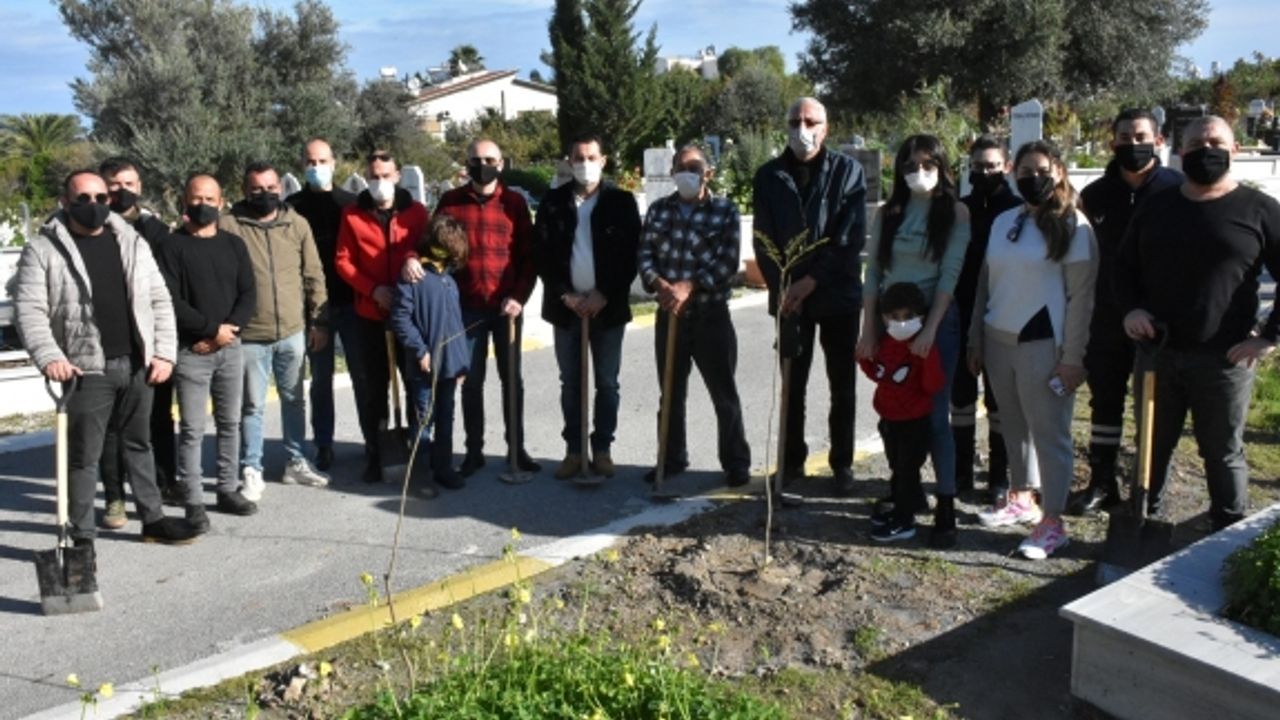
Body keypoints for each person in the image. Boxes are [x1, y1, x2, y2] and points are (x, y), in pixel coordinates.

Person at [9, 170, 197, 551]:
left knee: (139, 444)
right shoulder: (42, 250)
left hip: (137, 363)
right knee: (83, 457)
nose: (92, 206)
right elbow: (28, 310)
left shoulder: (131, 241)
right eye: (82, 199)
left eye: (99, 197)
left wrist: (162, 352)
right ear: (65, 202)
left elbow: (159, 299)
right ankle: (81, 537)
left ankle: (153, 519)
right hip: (84, 369)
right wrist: (50, 357)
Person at [1115, 115, 1280, 531]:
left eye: (1215, 142)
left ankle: (1227, 530)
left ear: (1234, 149)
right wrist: (1131, 309)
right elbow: (1123, 268)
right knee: (1152, 447)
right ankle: (1144, 524)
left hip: (1225, 358)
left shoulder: (1260, 211)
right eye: (1194, 144)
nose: (1205, 150)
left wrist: (1269, 337)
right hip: (1158, 352)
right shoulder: (1158, 205)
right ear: (1180, 151)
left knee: (1222, 451)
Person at [971, 140, 1097, 560]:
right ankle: (1022, 498)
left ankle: (1053, 522)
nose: (1032, 178)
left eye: (1041, 170)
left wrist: (1073, 358)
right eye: (1024, 172)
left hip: (1043, 344)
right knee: (1012, 424)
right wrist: (976, 337)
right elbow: (985, 285)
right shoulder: (1005, 220)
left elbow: (1082, 299)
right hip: (998, 338)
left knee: (1049, 433)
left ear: (1059, 171)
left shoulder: (1074, 226)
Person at [857, 134, 970, 548]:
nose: (917, 173)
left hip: (934, 324)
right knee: (893, 412)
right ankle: (907, 491)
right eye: (909, 165)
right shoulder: (888, 213)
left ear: (941, 167)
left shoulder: (955, 213)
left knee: (935, 418)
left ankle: (946, 503)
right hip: (892, 324)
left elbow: (949, 276)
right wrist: (869, 329)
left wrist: (930, 330)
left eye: (927, 164)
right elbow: (873, 275)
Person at [1068, 109, 1183, 515]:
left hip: (1159, 321)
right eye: (1123, 137)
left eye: (1140, 136)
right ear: (1111, 142)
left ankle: (1148, 490)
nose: (1132, 145)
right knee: (1105, 402)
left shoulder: (1177, 191)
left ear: (1159, 139)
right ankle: (1102, 481)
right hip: (1107, 317)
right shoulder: (1096, 195)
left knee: (1155, 407)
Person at [752, 97, 867, 494]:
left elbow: (849, 238)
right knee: (792, 387)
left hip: (837, 295)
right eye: (795, 120)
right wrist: (784, 287)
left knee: (842, 386)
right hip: (789, 301)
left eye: (810, 120)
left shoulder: (848, 172)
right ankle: (790, 464)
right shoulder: (769, 176)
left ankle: (842, 465)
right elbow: (763, 240)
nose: (802, 128)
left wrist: (811, 280)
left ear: (826, 127)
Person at [637, 144, 752, 487]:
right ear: (671, 173)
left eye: (694, 166)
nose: (686, 172)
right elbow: (644, 254)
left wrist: (690, 286)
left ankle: (735, 462)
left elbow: (727, 263)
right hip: (669, 315)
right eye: (680, 167)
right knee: (670, 392)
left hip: (710, 315)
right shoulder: (658, 210)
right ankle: (671, 458)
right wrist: (661, 285)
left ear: (708, 172)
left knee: (724, 393)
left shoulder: (725, 211)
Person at [219, 161, 330, 499]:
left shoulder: (296, 224)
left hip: (293, 331)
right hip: (250, 334)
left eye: (271, 188)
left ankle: (296, 461)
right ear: (244, 191)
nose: (265, 194)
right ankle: (251, 468)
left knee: (294, 399)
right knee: (252, 405)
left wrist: (319, 321)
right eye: (257, 189)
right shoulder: (229, 226)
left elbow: (313, 274)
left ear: (280, 188)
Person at [533, 134, 640, 480]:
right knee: (570, 383)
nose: (584, 164)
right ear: (568, 161)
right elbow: (542, 254)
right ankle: (574, 451)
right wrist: (566, 294)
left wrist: (603, 293)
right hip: (565, 309)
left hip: (606, 310)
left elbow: (630, 255)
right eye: (578, 158)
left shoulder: (621, 202)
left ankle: (603, 448)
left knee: (607, 383)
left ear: (603, 160)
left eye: (591, 157)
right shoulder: (552, 203)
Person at [432, 139, 539, 478]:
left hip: (506, 308)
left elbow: (527, 257)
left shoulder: (515, 203)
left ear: (501, 163)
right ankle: (474, 450)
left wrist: (519, 298)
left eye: (489, 159)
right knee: (472, 382)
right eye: (476, 160)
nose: (483, 165)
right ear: (467, 165)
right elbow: (435, 249)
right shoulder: (450, 202)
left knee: (511, 381)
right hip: (466, 310)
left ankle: (516, 449)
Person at [158, 174, 258, 529]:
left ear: (222, 201)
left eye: (210, 198)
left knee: (230, 423)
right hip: (191, 351)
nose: (203, 204)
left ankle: (228, 489)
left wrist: (225, 332)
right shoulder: (172, 247)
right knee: (192, 429)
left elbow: (248, 293)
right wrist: (209, 331)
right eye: (196, 198)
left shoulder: (234, 245)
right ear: (185, 201)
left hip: (230, 347)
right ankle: (194, 502)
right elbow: (171, 299)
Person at [336, 150, 428, 485]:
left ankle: (420, 453)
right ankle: (376, 453)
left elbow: (430, 249)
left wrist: (415, 257)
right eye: (374, 176)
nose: (380, 182)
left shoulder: (416, 213)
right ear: (366, 176)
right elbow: (344, 261)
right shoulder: (352, 214)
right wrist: (372, 289)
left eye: (386, 176)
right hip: (370, 314)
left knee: (416, 383)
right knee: (373, 389)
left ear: (398, 175)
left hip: (409, 315)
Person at [97, 157, 179, 526]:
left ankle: (165, 480)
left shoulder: (156, 231)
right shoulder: (90, 229)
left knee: (159, 416)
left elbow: (166, 290)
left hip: (149, 342)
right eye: (114, 184)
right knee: (111, 426)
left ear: (140, 186)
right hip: (107, 342)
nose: (122, 191)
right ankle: (114, 496)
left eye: (128, 183)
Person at [953, 136, 1021, 503]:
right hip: (960, 312)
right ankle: (961, 472)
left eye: (992, 166)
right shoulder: (958, 209)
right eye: (978, 166)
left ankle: (999, 478)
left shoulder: (1016, 210)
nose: (985, 172)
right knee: (960, 397)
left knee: (999, 401)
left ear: (1006, 167)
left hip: (1001, 315)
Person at [287, 138, 359, 472]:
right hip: (314, 308)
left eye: (322, 161)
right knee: (320, 379)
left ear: (334, 162)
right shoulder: (292, 206)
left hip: (352, 302)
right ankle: (324, 443)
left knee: (364, 376)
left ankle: (373, 440)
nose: (316, 167)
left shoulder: (352, 203)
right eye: (310, 161)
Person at [390, 215, 471, 496]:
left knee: (446, 417)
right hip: (423, 364)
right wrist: (419, 350)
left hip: (450, 365)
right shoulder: (413, 277)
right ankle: (420, 474)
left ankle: (444, 467)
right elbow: (400, 318)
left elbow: (457, 323)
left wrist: (462, 364)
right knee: (424, 419)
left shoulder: (449, 279)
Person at [860, 283, 945, 541]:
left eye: (908, 317)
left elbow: (933, 385)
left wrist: (926, 356)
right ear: (884, 318)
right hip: (889, 418)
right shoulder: (885, 343)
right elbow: (880, 374)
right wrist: (864, 357)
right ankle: (908, 502)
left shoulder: (923, 347)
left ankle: (904, 520)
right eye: (894, 318)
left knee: (907, 469)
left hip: (915, 422)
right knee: (897, 464)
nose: (901, 323)